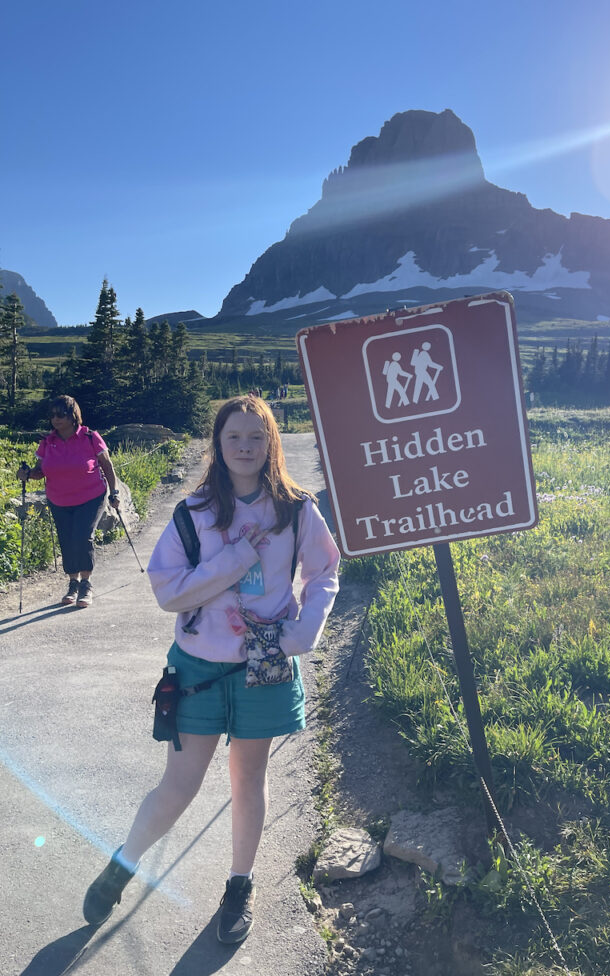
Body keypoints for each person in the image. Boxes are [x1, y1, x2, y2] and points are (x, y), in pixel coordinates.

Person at [81, 394, 340, 944]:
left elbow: (324, 573)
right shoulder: (192, 512)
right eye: (233, 437)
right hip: (198, 666)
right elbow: (168, 592)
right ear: (216, 445)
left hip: (265, 665)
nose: (244, 447)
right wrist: (236, 560)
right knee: (179, 785)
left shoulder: (297, 509)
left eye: (255, 436)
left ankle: (238, 888)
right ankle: (122, 865)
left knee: (249, 782)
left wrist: (305, 631)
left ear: (271, 442)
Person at [16, 395, 120, 608]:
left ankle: (86, 584)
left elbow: (107, 467)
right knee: (67, 540)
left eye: (61, 414)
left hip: (91, 496)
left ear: (73, 416)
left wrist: (114, 492)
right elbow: (39, 472)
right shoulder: (47, 442)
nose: (56, 418)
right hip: (59, 499)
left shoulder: (90, 437)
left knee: (83, 537)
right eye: (52, 415)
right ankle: (73, 583)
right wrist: (26, 474)